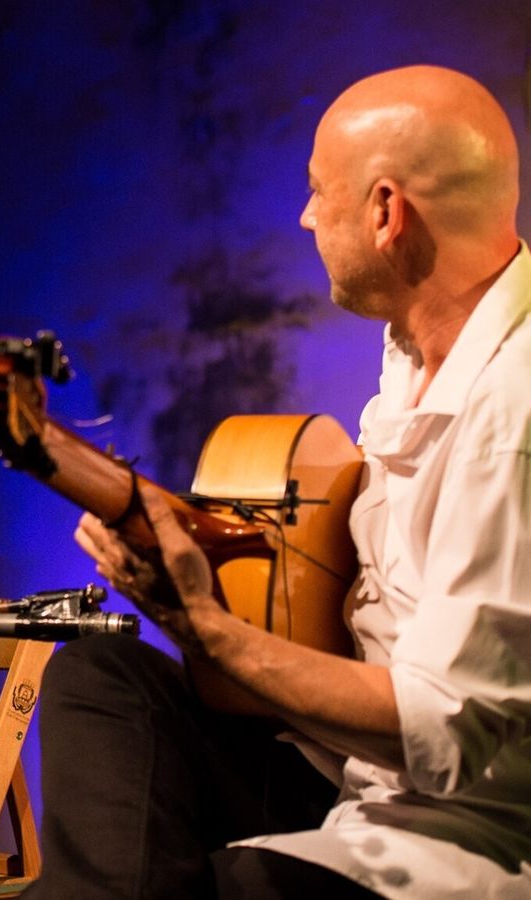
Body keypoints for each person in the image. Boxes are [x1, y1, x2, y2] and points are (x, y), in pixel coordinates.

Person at [32, 65, 531, 898]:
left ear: (384, 212)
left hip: (460, 835)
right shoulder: (413, 346)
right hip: (350, 779)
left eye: (315, 192)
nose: (303, 217)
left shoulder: (512, 413)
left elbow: (441, 740)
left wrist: (215, 633)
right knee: (100, 677)